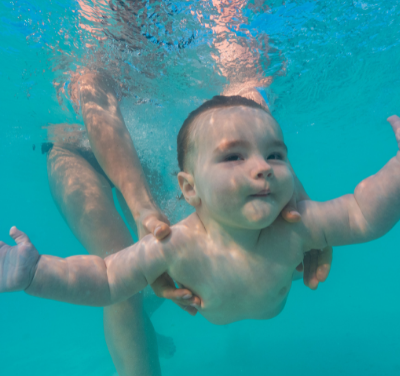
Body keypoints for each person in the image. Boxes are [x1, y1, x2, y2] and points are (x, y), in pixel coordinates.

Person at [36, 71, 331, 376]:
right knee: (121, 268)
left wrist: (290, 190)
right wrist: (142, 209)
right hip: (72, 150)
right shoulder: (96, 25)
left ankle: (143, 326)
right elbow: (94, 99)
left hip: (134, 153)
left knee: (165, 265)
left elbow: (245, 98)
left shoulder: (215, 20)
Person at [6, 93, 396, 327]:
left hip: (247, 299)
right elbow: (107, 278)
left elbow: (363, 213)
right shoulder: (174, 243)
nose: (262, 167)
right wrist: (37, 274)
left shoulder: (297, 224)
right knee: (142, 285)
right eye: (234, 157)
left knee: (153, 286)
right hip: (197, 278)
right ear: (189, 188)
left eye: (275, 154)